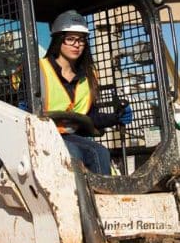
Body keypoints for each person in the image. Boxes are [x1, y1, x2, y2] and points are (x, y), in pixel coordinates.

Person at [39, 10, 133, 175]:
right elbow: (22, 109)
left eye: (81, 40)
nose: (77, 45)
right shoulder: (38, 69)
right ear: (59, 40)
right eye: (71, 39)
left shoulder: (88, 77)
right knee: (73, 153)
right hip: (41, 135)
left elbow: (90, 116)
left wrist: (116, 117)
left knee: (100, 153)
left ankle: (101, 192)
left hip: (69, 135)